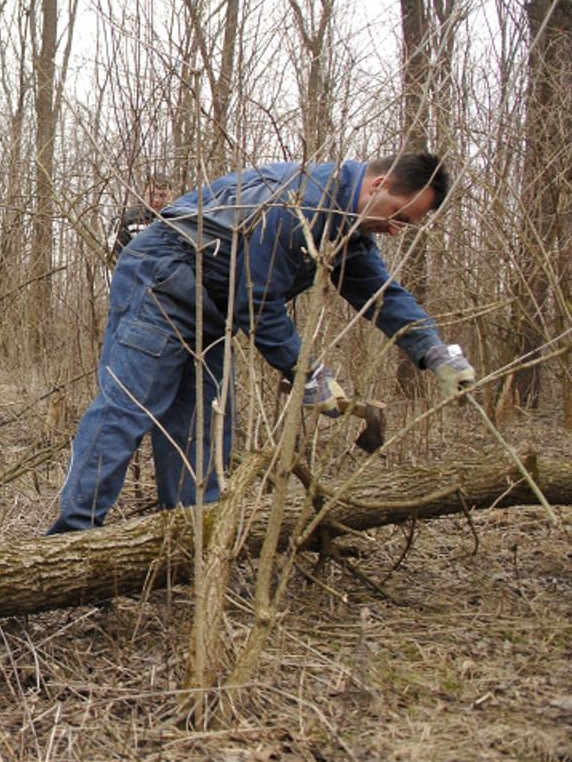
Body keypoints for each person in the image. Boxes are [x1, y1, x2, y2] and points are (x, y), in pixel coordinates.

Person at [47, 154, 476, 534]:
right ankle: (71, 540)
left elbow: (376, 291)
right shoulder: (305, 203)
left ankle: (190, 541)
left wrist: (433, 350)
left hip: (212, 303)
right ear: (378, 186)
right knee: (130, 407)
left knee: (203, 424)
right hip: (164, 276)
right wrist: (305, 372)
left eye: (409, 224)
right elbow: (256, 299)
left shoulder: (346, 223)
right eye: (400, 215)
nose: (397, 231)